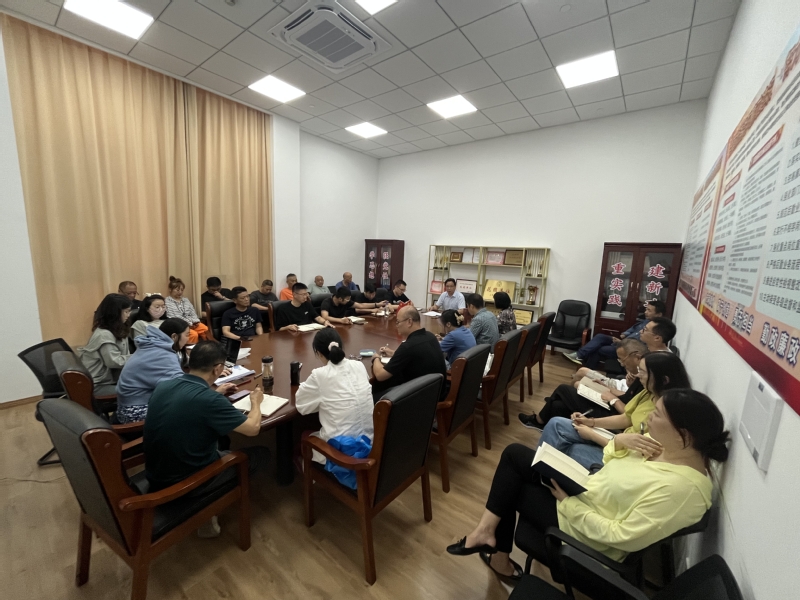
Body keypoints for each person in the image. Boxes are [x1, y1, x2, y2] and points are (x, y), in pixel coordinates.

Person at [447, 388, 729, 581]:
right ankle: (487, 536)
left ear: (683, 435)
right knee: (515, 456)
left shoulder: (683, 491)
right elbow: (609, 459)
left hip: (584, 532)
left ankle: (493, 547)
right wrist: (620, 441)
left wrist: (568, 504)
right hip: (586, 491)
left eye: (656, 415)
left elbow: (619, 536)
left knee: (512, 484)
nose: (647, 419)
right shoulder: (665, 447)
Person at [143, 341, 269, 537]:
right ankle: (206, 512)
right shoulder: (209, 400)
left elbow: (187, 406)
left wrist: (216, 392)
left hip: (155, 472)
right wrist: (256, 402)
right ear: (217, 369)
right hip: (184, 484)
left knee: (222, 439)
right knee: (261, 454)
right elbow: (253, 428)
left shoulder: (165, 385)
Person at [538, 352, 691, 469]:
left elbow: (636, 454)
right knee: (556, 423)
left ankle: (544, 472)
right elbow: (626, 418)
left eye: (643, 372)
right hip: (619, 441)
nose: (638, 376)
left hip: (626, 458)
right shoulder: (648, 393)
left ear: (664, 380)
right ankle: (542, 470)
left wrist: (592, 435)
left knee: (572, 448)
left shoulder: (667, 416)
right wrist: (591, 422)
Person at [519, 339, 647, 431]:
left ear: (637, 356)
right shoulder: (640, 374)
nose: (622, 364)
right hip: (611, 403)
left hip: (613, 414)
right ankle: (546, 425)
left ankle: (538, 421)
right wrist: (607, 388)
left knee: (563, 389)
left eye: (622, 360)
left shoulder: (647, 380)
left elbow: (630, 416)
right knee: (558, 405)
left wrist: (613, 399)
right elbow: (628, 396)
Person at [295, 329, 374, 464]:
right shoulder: (359, 365)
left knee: (302, 437)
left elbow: (302, 406)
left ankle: (306, 468)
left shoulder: (319, 375)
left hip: (344, 457)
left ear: (318, 353)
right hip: (370, 444)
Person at [115, 318, 190, 423]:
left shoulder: (153, 345)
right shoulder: (162, 354)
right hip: (134, 410)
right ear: (174, 336)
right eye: (187, 335)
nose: (188, 339)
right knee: (192, 410)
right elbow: (180, 387)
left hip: (130, 405)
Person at [371, 305, 447, 401]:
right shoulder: (430, 336)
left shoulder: (408, 346)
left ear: (409, 322)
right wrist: (393, 353)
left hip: (419, 399)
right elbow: (415, 356)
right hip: (437, 392)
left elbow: (380, 375)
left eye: (398, 322)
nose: (396, 325)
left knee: (373, 393)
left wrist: (376, 358)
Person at [565, 300, 665, 367]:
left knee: (598, 349)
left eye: (649, 310)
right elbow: (633, 329)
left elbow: (639, 345)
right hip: (623, 342)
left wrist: (621, 342)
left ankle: (586, 369)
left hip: (628, 349)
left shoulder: (656, 329)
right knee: (600, 337)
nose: (646, 312)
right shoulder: (646, 321)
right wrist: (625, 334)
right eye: (646, 309)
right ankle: (579, 355)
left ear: (659, 314)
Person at [79, 294, 132, 396]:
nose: (129, 315)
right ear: (114, 313)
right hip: (98, 385)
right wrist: (138, 357)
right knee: (140, 391)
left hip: (111, 379)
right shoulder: (104, 334)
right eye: (126, 311)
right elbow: (114, 362)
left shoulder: (118, 328)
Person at [164, 276, 209, 344]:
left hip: (192, 323)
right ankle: (191, 350)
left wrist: (196, 321)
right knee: (193, 334)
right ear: (170, 290)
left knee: (205, 329)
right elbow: (175, 317)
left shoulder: (185, 300)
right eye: (177, 290)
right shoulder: (167, 302)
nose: (180, 292)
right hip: (180, 326)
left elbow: (192, 312)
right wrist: (189, 324)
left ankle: (207, 347)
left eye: (182, 290)